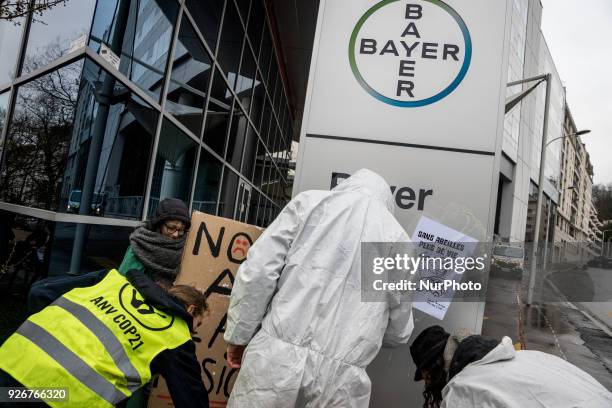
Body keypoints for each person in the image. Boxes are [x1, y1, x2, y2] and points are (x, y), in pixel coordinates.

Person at [224, 168, 414, 407]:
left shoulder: (310, 204)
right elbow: (399, 329)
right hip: (342, 382)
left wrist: (239, 335)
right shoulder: (398, 240)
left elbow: (259, 273)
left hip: (275, 361)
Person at [0, 268, 209, 408]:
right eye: (196, 326)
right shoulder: (176, 335)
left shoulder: (111, 280)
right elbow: (192, 401)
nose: (192, 333)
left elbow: (40, 291)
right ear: (191, 309)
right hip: (62, 398)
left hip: (12, 369)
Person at [28, 198, 191, 314]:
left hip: (166, 310)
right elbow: (123, 281)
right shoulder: (142, 243)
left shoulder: (188, 248)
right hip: (134, 308)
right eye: (171, 228)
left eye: (181, 229)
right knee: (42, 291)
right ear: (158, 224)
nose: (177, 234)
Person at [410, 325, 612, 408]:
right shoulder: (530, 356)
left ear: (438, 363)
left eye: (427, 376)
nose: (427, 384)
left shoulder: (462, 390)